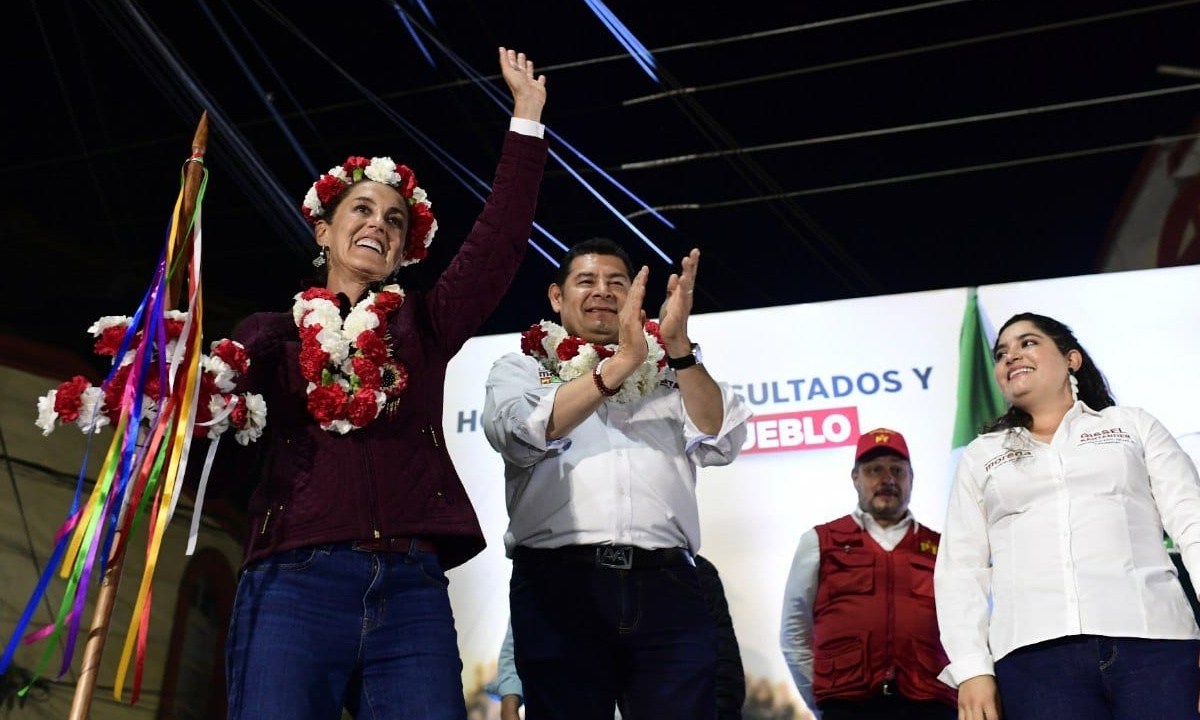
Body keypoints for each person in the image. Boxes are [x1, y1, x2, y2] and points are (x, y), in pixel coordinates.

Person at [200, 47, 549, 719]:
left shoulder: (423, 324)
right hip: (290, 579)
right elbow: (209, 417)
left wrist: (527, 120)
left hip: (410, 587)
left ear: (405, 248)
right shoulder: (271, 333)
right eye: (361, 210)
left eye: (395, 220)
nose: (378, 225)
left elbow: (498, 243)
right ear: (325, 229)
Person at [482, 237, 752, 719]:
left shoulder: (672, 369)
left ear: (634, 298)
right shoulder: (521, 367)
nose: (602, 291)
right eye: (586, 281)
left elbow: (720, 437)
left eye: (616, 283)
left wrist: (679, 350)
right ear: (556, 297)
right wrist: (619, 365)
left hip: (668, 585)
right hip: (559, 585)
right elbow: (519, 433)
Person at [934, 312, 1200, 720]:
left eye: (1027, 343)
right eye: (1001, 352)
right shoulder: (982, 455)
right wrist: (971, 669)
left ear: (1071, 359)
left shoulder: (1133, 426)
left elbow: (1192, 523)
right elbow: (960, 568)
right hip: (1034, 662)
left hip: (1155, 644)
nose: (1010, 356)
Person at [780, 428, 957, 720]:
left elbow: (968, 627)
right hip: (848, 707)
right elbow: (794, 631)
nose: (887, 479)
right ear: (855, 478)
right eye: (874, 470)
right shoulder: (820, 541)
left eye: (897, 471)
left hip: (931, 705)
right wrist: (823, 698)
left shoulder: (943, 548)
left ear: (911, 479)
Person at [485, 554, 747, 720]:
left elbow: (724, 665)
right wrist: (510, 698)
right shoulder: (558, 565)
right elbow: (519, 639)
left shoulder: (695, 573)